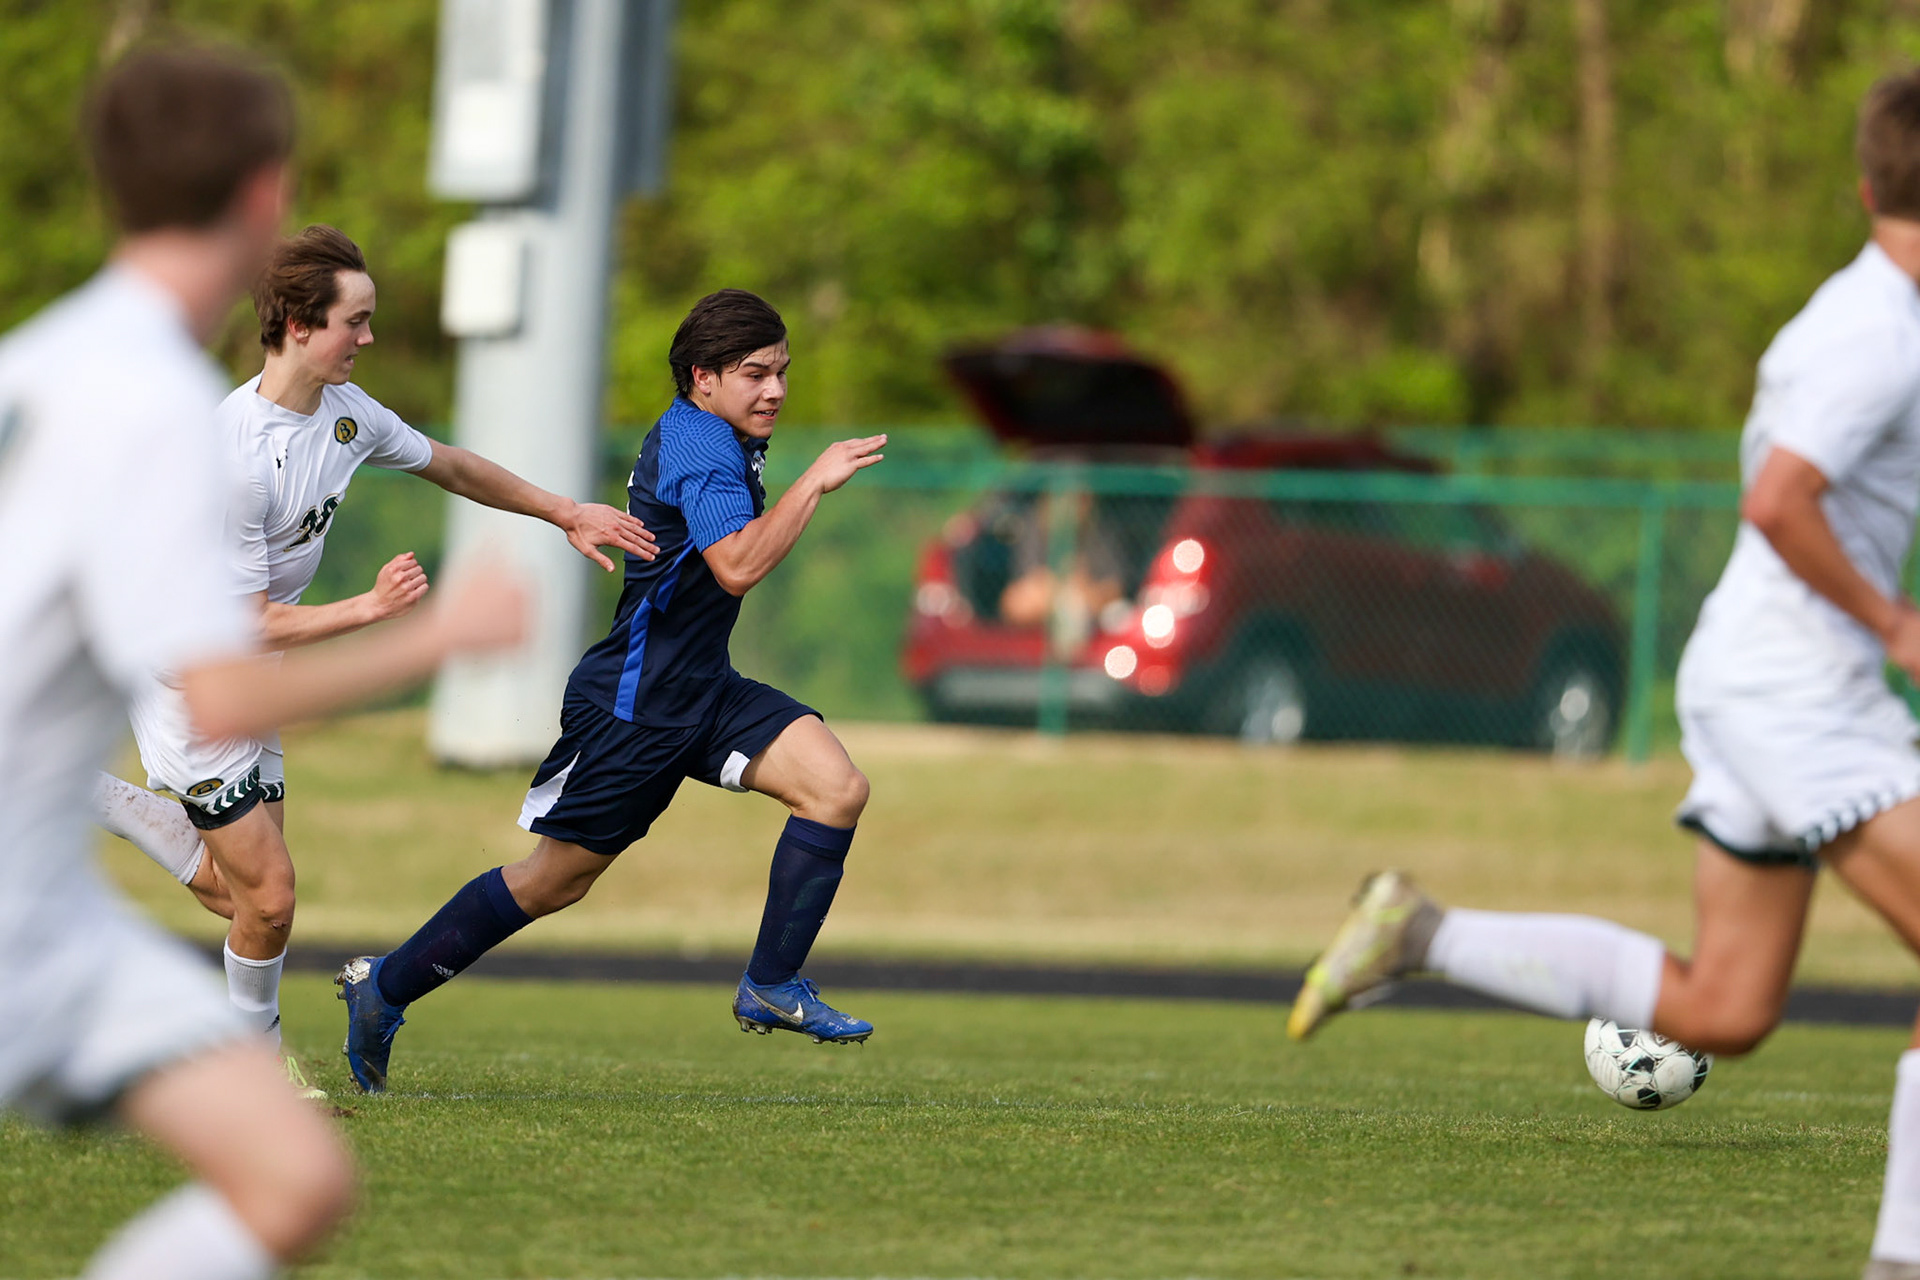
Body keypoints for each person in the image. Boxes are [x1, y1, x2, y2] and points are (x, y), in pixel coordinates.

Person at [1287, 68, 1920, 1280]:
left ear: (1863, 184)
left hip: (1760, 672)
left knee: (1728, 1006)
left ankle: (1422, 933)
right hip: (1802, 686)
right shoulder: (1878, 337)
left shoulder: (1870, 313)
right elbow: (1780, 502)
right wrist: (1895, 622)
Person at [0, 43, 525, 1280]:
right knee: (263, 932)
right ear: (260, 195)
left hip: (47, 908)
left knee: (292, 1174)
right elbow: (222, 675)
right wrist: (434, 634)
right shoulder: (164, 411)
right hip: (23, 914)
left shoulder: (49, 358)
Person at [89, 223, 656, 1099]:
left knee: (246, 899)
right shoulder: (232, 455)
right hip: (190, 675)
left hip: (251, 670)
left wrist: (562, 511)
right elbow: (245, 625)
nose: (369, 337)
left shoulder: (346, 415)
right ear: (298, 324)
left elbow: (455, 466)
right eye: (355, 321)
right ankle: (251, 1076)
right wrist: (372, 611)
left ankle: (107, 799)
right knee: (270, 898)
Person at [335, 288, 887, 1093]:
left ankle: (771, 984)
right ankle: (382, 990)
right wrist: (815, 483)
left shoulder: (724, 431)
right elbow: (736, 565)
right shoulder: (701, 444)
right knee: (553, 880)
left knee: (836, 789)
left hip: (703, 687)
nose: (774, 390)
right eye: (754, 374)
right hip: (635, 703)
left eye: (782, 373)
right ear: (702, 378)